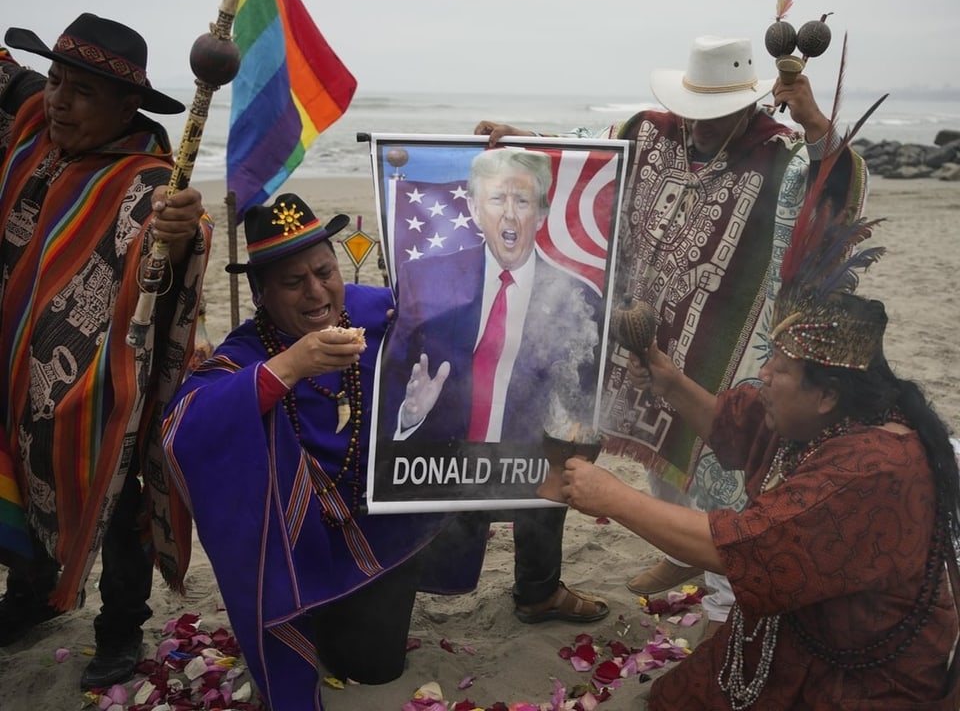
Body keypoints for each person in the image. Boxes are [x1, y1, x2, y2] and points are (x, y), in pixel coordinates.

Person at [475, 35, 867, 632]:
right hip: (627, 320)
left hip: (718, 340)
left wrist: (816, 125)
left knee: (709, 456)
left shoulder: (780, 154)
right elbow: (585, 161)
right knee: (597, 442)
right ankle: (677, 550)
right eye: (693, 109)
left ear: (747, 105)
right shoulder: (648, 128)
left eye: (714, 114)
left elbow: (832, 192)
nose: (699, 124)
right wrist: (525, 139)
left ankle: (709, 570)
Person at [552, 211, 960, 707]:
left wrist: (612, 496)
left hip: (856, 681)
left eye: (779, 368)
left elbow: (740, 549)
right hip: (795, 639)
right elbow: (736, 423)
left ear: (827, 394)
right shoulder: (819, 418)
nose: (762, 375)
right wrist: (670, 380)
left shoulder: (871, 468)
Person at [162, 193, 486, 711]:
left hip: (384, 522)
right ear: (261, 295)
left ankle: (534, 589)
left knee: (378, 668)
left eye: (324, 272)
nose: (317, 292)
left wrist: (413, 416)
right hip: (304, 544)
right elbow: (184, 427)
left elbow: (466, 320)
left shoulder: (374, 312)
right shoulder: (248, 352)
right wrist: (288, 367)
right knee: (355, 657)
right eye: (294, 283)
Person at [0, 14, 211, 689]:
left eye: (81, 91)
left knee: (119, 502)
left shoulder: (148, 182)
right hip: (13, 369)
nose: (59, 99)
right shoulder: (37, 124)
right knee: (18, 481)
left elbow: (177, 238)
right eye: (57, 80)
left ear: (126, 107)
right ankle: (31, 597)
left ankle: (121, 626)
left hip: (102, 392)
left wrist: (180, 237)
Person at [381, 147, 609, 623]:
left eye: (522, 201)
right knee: (409, 563)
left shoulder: (576, 296)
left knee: (562, 448)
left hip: (530, 452)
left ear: (543, 212)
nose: (509, 214)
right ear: (473, 207)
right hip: (442, 457)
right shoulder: (425, 278)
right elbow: (393, 381)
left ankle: (539, 590)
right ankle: (395, 585)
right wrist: (409, 414)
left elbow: (585, 396)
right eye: (497, 199)